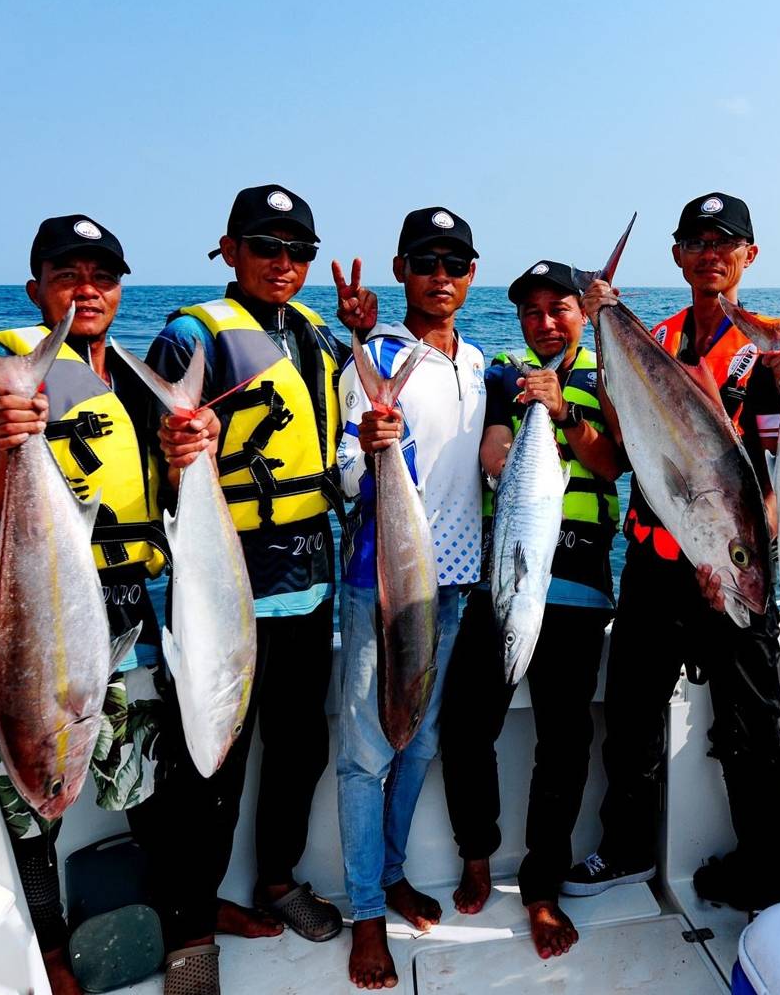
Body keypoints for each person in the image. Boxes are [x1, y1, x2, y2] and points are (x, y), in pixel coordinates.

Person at [0, 215, 170, 995]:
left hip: (121, 611)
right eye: (67, 275)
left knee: (143, 781)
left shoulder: (132, 382)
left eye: (102, 276)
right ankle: (52, 952)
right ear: (35, 288)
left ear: (120, 288)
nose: (86, 290)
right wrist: (9, 441)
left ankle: (176, 917)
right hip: (29, 619)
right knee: (28, 806)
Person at [140, 184, 358, 991]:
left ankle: (276, 879)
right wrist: (178, 447)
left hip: (310, 582)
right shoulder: (189, 335)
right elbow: (151, 462)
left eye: (298, 251)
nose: (284, 264)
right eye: (266, 247)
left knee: (300, 748)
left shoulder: (316, 336)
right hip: (220, 587)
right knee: (207, 767)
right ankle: (189, 927)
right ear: (227, 250)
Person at [565, 193, 780, 911]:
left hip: (731, 572)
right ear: (675, 256)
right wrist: (602, 320)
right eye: (696, 242)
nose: (711, 253)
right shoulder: (655, 335)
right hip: (652, 567)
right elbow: (625, 436)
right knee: (633, 715)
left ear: (749, 257)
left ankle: (766, 866)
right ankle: (628, 847)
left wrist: (741, 551)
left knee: (752, 729)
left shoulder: (769, 351)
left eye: (725, 242)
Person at [441, 260, 625, 959]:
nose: (545, 322)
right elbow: (493, 458)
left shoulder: (610, 378)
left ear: (584, 313)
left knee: (565, 742)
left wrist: (566, 412)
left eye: (560, 310)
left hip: (576, 581)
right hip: (509, 571)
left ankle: (541, 885)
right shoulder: (504, 376)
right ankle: (477, 851)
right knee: (466, 725)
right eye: (532, 311)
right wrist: (528, 414)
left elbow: (613, 465)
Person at [335, 207, 486, 989]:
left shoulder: (479, 361)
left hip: (455, 584)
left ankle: (390, 873)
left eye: (455, 263)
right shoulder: (375, 356)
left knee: (419, 743)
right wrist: (371, 451)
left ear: (470, 274)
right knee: (365, 754)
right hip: (381, 583)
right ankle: (366, 912)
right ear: (401, 270)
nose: (441, 276)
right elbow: (352, 482)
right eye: (426, 262)